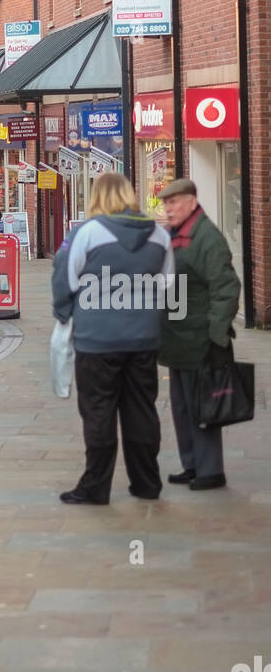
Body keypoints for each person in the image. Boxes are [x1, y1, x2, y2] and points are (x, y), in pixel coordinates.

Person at [52, 171, 174, 505]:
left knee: (98, 411)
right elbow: (168, 287)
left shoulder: (87, 233)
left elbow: (65, 277)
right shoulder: (159, 236)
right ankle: (147, 482)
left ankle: (95, 487)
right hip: (143, 339)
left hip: (97, 339)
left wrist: (64, 314)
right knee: (141, 411)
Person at [157, 177, 241, 492]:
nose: (169, 208)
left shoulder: (207, 237)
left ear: (192, 201)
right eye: (166, 204)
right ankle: (191, 463)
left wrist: (215, 334)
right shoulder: (173, 235)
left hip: (201, 339)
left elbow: (227, 287)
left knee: (204, 405)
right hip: (178, 338)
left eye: (174, 202)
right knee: (181, 406)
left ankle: (210, 470)